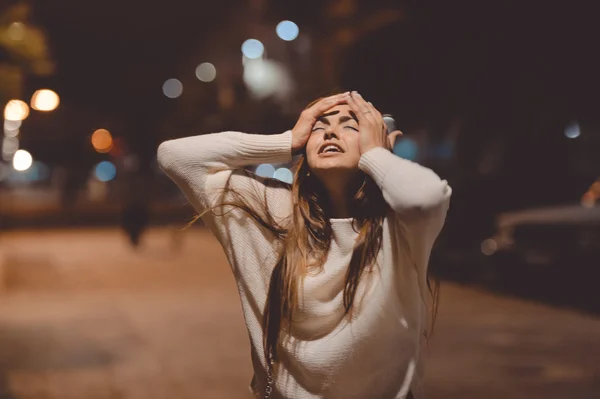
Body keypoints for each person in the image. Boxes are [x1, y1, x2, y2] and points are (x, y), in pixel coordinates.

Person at [157, 91, 451, 399]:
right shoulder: (272, 210)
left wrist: (379, 155)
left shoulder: (399, 226)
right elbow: (174, 156)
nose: (330, 132)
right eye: (318, 126)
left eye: (352, 126)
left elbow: (426, 198)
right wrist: (287, 141)